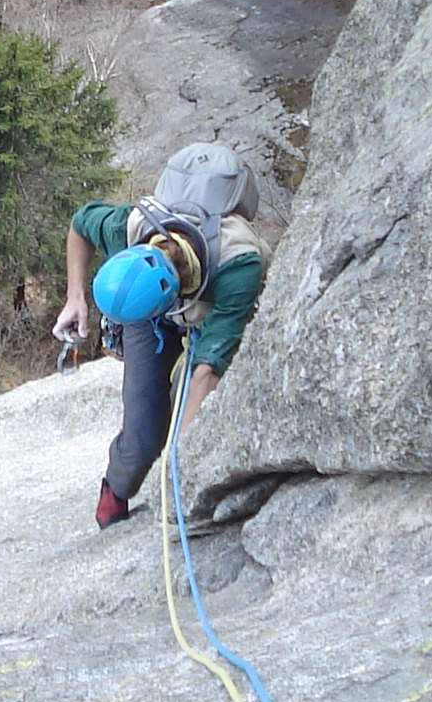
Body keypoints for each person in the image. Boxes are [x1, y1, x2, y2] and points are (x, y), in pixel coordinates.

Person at [54, 142, 271, 529]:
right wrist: (75, 297)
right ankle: (116, 488)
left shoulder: (239, 264)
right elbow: (80, 222)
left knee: (202, 412)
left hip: (214, 301)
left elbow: (207, 368)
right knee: (143, 428)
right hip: (146, 311)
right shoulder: (128, 227)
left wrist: (179, 459)